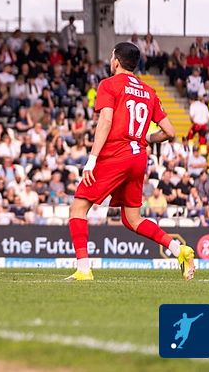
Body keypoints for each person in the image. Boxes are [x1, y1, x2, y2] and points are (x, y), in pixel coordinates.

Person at [66, 42, 195, 281]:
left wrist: (92, 159)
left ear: (116, 61)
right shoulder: (149, 91)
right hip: (138, 158)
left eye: (111, 57)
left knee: (78, 207)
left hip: (116, 154)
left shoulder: (108, 84)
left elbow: (105, 121)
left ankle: (83, 269)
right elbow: (169, 131)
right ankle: (179, 249)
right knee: (132, 219)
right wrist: (146, 138)